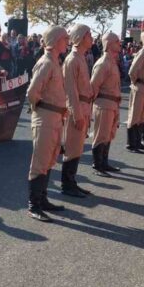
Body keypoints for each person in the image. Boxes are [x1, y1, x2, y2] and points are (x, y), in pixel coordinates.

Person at [25, 26, 69, 222]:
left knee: (50, 159)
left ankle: (42, 200)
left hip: (55, 118)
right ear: (55, 40)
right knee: (40, 161)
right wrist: (42, 110)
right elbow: (32, 93)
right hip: (46, 118)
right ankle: (34, 205)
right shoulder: (46, 63)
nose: (67, 42)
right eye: (64, 39)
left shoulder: (54, 62)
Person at [60, 24, 94, 198]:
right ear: (81, 37)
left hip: (84, 107)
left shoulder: (81, 57)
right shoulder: (72, 59)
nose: (91, 37)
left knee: (78, 147)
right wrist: (77, 114)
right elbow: (70, 91)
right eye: (89, 34)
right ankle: (67, 185)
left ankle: (72, 182)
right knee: (72, 147)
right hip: (77, 109)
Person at [90, 32, 123, 177]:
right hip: (104, 104)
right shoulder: (103, 63)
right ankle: (97, 165)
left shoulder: (112, 62)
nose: (119, 44)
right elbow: (93, 86)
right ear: (109, 44)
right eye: (117, 41)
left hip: (113, 103)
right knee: (101, 135)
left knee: (109, 134)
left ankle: (104, 162)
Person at [126, 29, 144, 153]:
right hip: (140, 87)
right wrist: (136, 83)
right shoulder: (143, 53)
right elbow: (132, 71)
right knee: (135, 115)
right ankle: (131, 143)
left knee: (141, 116)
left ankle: (138, 142)